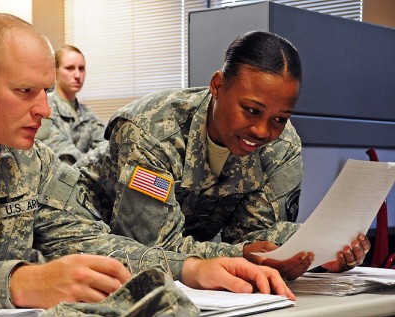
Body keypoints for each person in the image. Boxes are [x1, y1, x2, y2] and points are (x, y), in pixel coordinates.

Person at [0, 13, 295, 310]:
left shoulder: (34, 163)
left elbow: (90, 241)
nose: (46, 110)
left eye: (46, 91)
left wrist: (192, 268)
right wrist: (20, 282)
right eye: (25, 91)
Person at [75, 30, 370, 280]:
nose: (262, 130)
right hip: (88, 240)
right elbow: (151, 249)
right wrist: (243, 255)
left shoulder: (282, 146)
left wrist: (320, 251)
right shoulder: (151, 131)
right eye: (252, 110)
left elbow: (255, 235)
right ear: (218, 86)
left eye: (279, 118)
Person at [36, 45, 105, 165]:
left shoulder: (86, 113)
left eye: (81, 68)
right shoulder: (43, 107)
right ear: (55, 71)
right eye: (70, 68)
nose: (78, 75)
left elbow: (107, 146)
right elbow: (62, 154)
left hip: (82, 179)